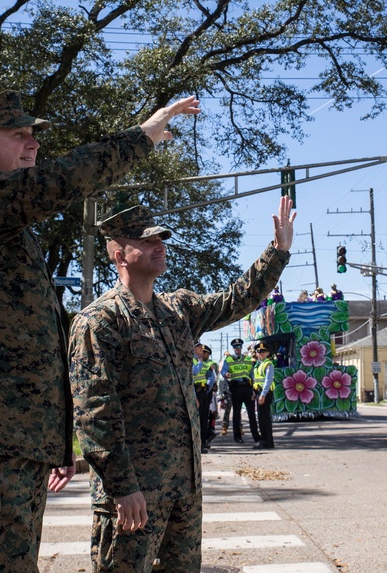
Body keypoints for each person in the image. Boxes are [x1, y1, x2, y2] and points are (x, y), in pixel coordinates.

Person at [0, 89, 200, 573]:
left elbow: (39, 347)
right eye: (17, 135)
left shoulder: (8, 232)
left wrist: (57, 443)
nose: (32, 145)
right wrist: (143, 137)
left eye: (33, 136)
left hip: (11, 447)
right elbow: (59, 182)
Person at [68, 196, 295, 573]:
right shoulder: (100, 321)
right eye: (146, 240)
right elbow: (95, 414)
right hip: (135, 492)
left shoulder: (177, 310)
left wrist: (278, 251)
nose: (159, 246)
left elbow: (236, 299)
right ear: (119, 255)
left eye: (161, 238)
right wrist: (122, 487)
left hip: (182, 487)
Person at [222, 336, 260, 444]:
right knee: (236, 414)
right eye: (235, 347)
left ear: (241, 347)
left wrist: (254, 388)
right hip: (236, 388)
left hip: (247, 388)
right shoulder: (228, 359)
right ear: (233, 348)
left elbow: (252, 374)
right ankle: (237, 437)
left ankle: (256, 436)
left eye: (239, 346)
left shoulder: (248, 359)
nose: (237, 348)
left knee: (251, 413)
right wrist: (226, 374)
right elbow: (223, 371)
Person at [192, 344, 218, 454]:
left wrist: (209, 387)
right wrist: (200, 362)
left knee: (203, 419)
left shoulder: (206, 363)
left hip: (204, 392)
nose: (201, 351)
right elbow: (194, 372)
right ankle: (196, 444)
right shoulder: (192, 360)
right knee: (196, 419)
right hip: (195, 392)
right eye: (199, 349)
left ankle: (202, 443)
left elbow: (211, 376)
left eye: (202, 350)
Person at [252, 342, 276, 450]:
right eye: (258, 351)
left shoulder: (268, 364)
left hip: (265, 393)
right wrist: (255, 394)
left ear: (267, 353)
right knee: (261, 418)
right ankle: (264, 441)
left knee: (264, 418)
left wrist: (262, 395)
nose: (261, 353)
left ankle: (267, 442)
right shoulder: (257, 364)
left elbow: (268, 380)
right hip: (259, 392)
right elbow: (257, 380)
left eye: (263, 351)